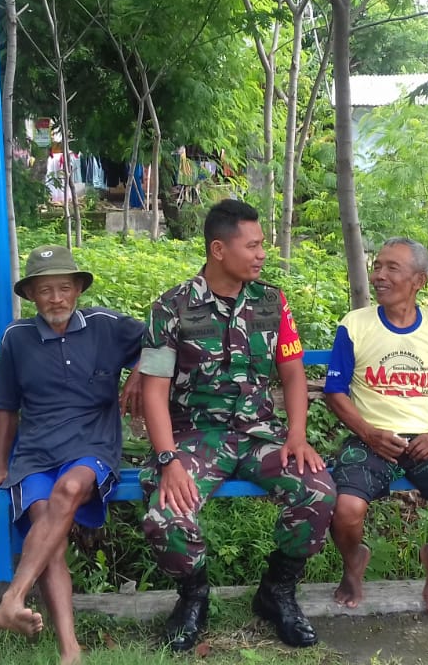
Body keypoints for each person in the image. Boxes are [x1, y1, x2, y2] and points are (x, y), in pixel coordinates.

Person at [138, 199, 335, 650]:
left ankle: (277, 592)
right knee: (166, 515)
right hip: (194, 437)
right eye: (253, 245)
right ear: (219, 249)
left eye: (262, 244)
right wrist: (168, 459)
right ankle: (193, 596)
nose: (262, 254)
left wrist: (297, 435)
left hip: (259, 433)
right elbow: (154, 391)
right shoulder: (172, 306)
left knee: (319, 491)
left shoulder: (271, 302)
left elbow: (293, 374)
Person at [0, 245, 145, 665]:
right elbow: (6, 407)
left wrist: (140, 371)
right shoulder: (17, 338)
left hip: (92, 446)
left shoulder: (106, 325)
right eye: (45, 290)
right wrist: (0, 466)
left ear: (78, 290)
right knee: (48, 531)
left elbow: (163, 339)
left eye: (64, 288)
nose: (56, 298)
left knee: (70, 488)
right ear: (31, 295)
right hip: (36, 452)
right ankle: (70, 650)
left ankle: (12, 598)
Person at [325, 238, 428, 613]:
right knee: (345, 509)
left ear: (418, 281)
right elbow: (334, 391)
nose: (379, 275)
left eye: (392, 268)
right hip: (371, 438)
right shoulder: (354, 325)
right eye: (377, 266)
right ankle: (353, 560)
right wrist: (368, 433)